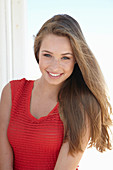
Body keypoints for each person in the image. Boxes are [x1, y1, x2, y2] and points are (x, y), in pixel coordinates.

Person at [0, 14, 112, 170]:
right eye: (47, 55)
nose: (54, 66)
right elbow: (4, 160)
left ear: (76, 60)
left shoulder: (82, 105)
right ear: (37, 53)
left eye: (65, 58)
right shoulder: (11, 93)